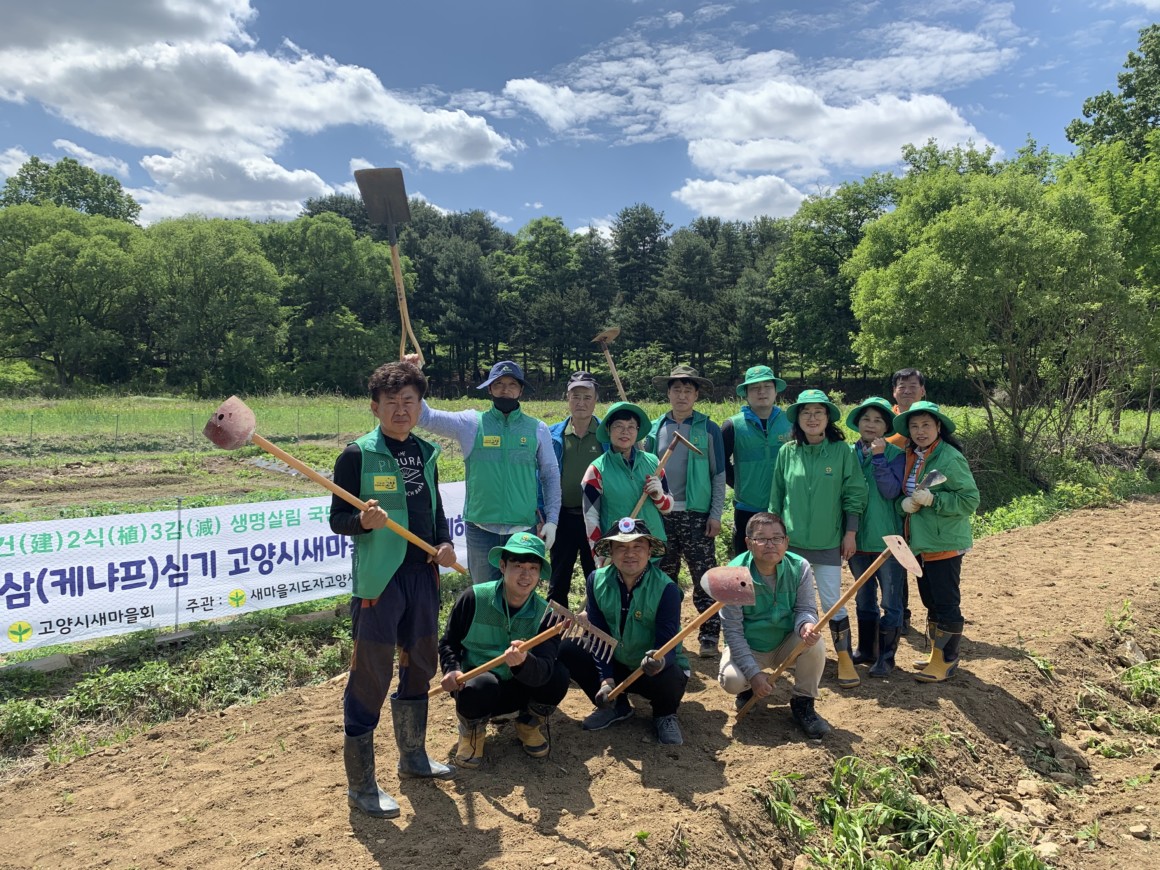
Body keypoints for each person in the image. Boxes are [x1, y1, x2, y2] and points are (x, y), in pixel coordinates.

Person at [329, 361, 458, 819]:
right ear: (375, 407)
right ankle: (361, 786)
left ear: (420, 406)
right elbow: (337, 520)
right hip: (379, 582)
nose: (401, 410)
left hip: (422, 576)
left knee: (421, 663)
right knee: (371, 677)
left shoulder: (426, 452)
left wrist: (443, 543)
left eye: (409, 402)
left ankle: (413, 756)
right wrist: (361, 521)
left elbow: (437, 510)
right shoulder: (356, 455)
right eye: (392, 403)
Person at [417, 360, 561, 584]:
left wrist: (552, 520)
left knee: (521, 594)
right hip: (481, 530)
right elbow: (425, 417)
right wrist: (414, 373)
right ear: (489, 389)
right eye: (499, 383)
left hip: (523, 530)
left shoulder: (537, 428)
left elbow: (550, 476)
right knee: (484, 597)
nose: (505, 389)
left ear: (521, 390)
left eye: (512, 384)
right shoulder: (471, 423)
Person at [438, 532, 570, 768]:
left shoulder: (547, 615)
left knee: (559, 675)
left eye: (532, 567)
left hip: (522, 688)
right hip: (479, 689)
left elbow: (545, 668)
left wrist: (523, 662)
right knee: (480, 684)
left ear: (539, 574)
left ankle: (528, 724)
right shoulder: (474, 598)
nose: (525, 575)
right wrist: (451, 670)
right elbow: (449, 643)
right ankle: (472, 731)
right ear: (502, 565)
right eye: (518, 565)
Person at [768, 389, 868, 689]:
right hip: (791, 543)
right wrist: (774, 537)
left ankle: (844, 656)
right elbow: (777, 497)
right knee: (787, 601)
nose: (812, 418)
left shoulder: (841, 452)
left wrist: (850, 533)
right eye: (806, 412)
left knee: (831, 600)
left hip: (828, 541)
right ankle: (791, 653)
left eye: (818, 412)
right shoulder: (787, 452)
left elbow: (854, 494)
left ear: (827, 418)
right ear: (798, 419)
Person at [558, 518, 688, 745]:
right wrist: (606, 679)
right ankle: (616, 705)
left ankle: (664, 715)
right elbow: (597, 635)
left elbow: (668, 643)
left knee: (673, 675)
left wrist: (658, 661)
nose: (630, 554)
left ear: (649, 551)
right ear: (611, 551)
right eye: (622, 547)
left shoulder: (667, 589)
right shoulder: (596, 580)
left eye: (638, 546)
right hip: (616, 663)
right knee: (569, 648)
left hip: (649, 669)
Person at [718, 512, 831, 738]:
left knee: (815, 643)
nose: (770, 545)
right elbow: (733, 631)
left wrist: (806, 626)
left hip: (784, 642)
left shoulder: (800, 566)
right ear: (749, 543)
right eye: (762, 539)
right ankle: (747, 689)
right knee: (732, 681)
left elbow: (805, 610)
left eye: (777, 538)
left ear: (786, 542)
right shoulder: (733, 574)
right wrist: (754, 675)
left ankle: (803, 703)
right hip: (750, 646)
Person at [893, 401, 979, 683]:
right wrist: (903, 505)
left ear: (938, 427)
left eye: (926, 425)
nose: (920, 431)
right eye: (915, 426)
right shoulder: (910, 455)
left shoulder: (949, 457)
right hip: (920, 543)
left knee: (946, 601)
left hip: (944, 542)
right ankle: (935, 655)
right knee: (930, 600)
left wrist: (935, 500)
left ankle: (947, 660)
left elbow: (970, 500)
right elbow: (902, 491)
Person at [644, 364, 726, 658]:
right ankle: (667, 633)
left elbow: (718, 474)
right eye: (676, 389)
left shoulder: (708, 428)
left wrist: (716, 513)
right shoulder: (654, 429)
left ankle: (709, 635)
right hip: (660, 515)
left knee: (703, 575)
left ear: (696, 394)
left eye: (687, 390)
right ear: (668, 393)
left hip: (697, 515)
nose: (681, 395)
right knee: (664, 578)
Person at [844, 397, 905, 677]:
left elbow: (891, 491)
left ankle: (887, 657)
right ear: (857, 423)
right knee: (863, 599)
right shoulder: (846, 453)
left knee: (890, 600)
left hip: (888, 541)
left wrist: (879, 457)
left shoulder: (896, 454)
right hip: (856, 540)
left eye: (878, 420)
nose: (871, 424)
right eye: (866, 419)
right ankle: (866, 649)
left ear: (886, 426)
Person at [581, 401, 673, 563]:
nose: (625, 432)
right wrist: (599, 554)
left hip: (652, 549)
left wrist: (659, 495)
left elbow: (667, 508)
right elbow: (590, 517)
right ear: (608, 429)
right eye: (618, 426)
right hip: (618, 551)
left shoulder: (653, 463)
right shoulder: (596, 470)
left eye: (631, 427)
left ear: (637, 431)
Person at [544, 371, 606, 605]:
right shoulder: (552, 435)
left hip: (597, 519)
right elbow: (541, 476)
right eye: (575, 396)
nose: (581, 402)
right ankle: (553, 636)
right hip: (562, 518)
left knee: (598, 578)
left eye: (587, 397)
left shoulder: (606, 435)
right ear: (567, 398)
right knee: (558, 581)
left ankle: (596, 632)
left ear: (595, 399)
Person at [723, 365, 792, 556]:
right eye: (754, 388)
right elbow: (721, 464)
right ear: (745, 393)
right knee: (746, 562)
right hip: (747, 507)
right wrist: (741, 485)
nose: (761, 392)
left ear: (776, 390)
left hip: (785, 506)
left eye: (767, 386)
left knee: (782, 561)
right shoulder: (732, 425)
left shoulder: (791, 423)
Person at [886, 368, 927, 633]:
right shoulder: (885, 420)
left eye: (913, 386)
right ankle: (901, 615)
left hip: (925, 506)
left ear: (923, 390)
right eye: (902, 386)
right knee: (896, 558)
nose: (908, 390)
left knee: (924, 560)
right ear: (894, 392)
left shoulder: (929, 419)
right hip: (891, 502)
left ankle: (933, 620)